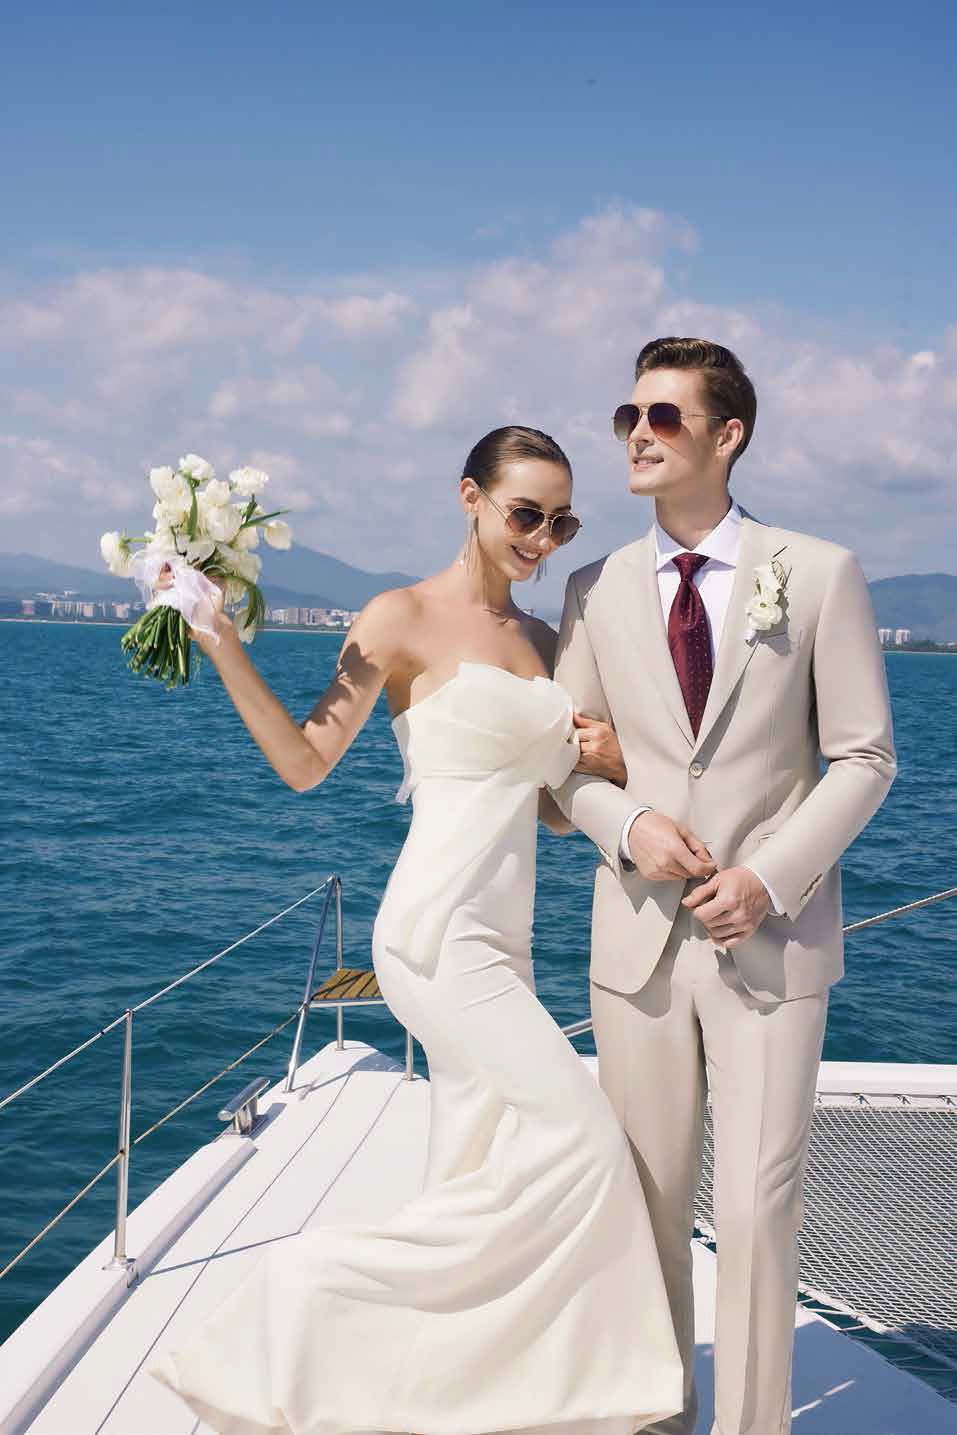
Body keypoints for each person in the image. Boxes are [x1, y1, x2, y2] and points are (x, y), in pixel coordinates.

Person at [149, 425, 684, 1434]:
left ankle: (443, 1395)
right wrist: (220, 637)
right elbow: (304, 761)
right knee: (583, 1143)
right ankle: (280, 1311)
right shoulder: (399, 616)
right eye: (524, 513)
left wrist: (614, 763)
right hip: (435, 934)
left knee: (476, 1171)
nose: (541, 538)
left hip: (507, 938)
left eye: (561, 522)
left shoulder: (542, 642)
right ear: (469, 497)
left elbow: (552, 810)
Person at [550, 338, 897, 1435]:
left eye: (662, 415)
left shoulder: (820, 572)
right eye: (628, 416)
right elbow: (561, 769)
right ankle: (656, 1415)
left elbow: (865, 757)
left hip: (771, 942)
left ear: (727, 433)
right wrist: (629, 825)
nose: (637, 434)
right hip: (637, 948)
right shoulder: (593, 589)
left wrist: (769, 876)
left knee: (754, 1209)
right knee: (645, 1208)